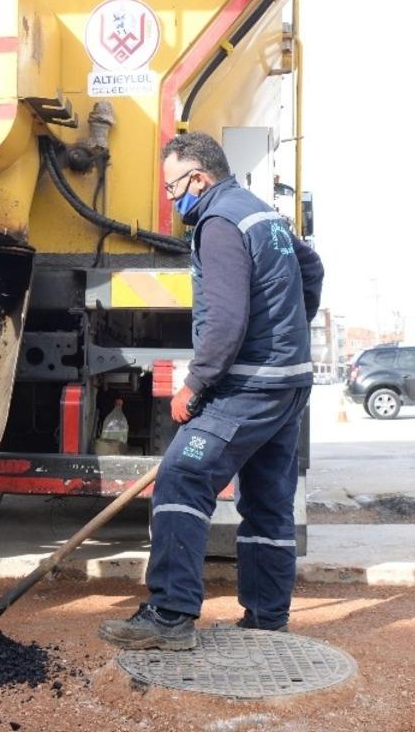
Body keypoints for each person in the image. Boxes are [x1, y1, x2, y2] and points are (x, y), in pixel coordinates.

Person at [99, 132, 323, 650]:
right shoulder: (262, 213)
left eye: (173, 188)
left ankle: (170, 616)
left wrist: (195, 383)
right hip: (287, 383)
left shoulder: (219, 223)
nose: (173, 200)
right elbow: (311, 269)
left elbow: (224, 320)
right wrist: (289, 332)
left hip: (246, 385)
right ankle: (268, 616)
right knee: (268, 501)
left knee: (181, 480)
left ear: (198, 178)